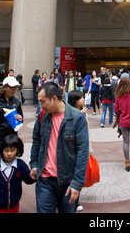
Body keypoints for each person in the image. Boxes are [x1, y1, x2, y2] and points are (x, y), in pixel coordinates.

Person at [30, 81, 89, 213]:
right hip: (45, 180)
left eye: (43, 101)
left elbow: (82, 152)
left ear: (54, 98)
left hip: (68, 181)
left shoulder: (77, 118)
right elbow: (36, 142)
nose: (41, 106)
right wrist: (34, 164)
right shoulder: (42, 117)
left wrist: (77, 183)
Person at [0, 134, 35, 213]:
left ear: (18, 150)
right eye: (6, 150)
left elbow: (27, 179)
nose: (9, 154)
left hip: (13, 206)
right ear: (1, 151)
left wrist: (33, 176)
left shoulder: (20, 165)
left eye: (12, 150)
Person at [0, 76, 23, 171]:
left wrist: (20, 118)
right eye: (11, 87)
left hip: (11, 140)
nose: (14, 90)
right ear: (5, 87)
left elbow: (20, 120)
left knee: (10, 170)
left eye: (15, 87)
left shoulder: (16, 102)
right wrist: (2, 110)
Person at [68, 90, 93, 212]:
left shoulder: (82, 113)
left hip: (82, 148)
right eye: (80, 98)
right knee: (74, 174)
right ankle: (72, 201)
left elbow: (86, 134)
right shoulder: (73, 114)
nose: (83, 100)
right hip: (73, 150)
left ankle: (74, 200)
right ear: (74, 101)